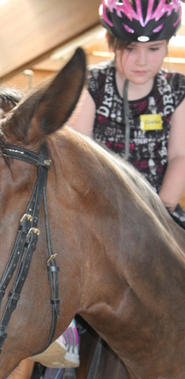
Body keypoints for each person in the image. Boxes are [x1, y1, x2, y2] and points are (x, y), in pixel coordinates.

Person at [69, 0, 185, 229]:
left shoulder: (176, 88)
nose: (142, 61)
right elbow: (78, 155)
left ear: (167, 45)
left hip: (160, 211)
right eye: (131, 49)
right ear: (110, 42)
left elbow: (179, 156)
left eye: (154, 49)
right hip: (102, 209)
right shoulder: (93, 83)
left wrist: (160, 214)